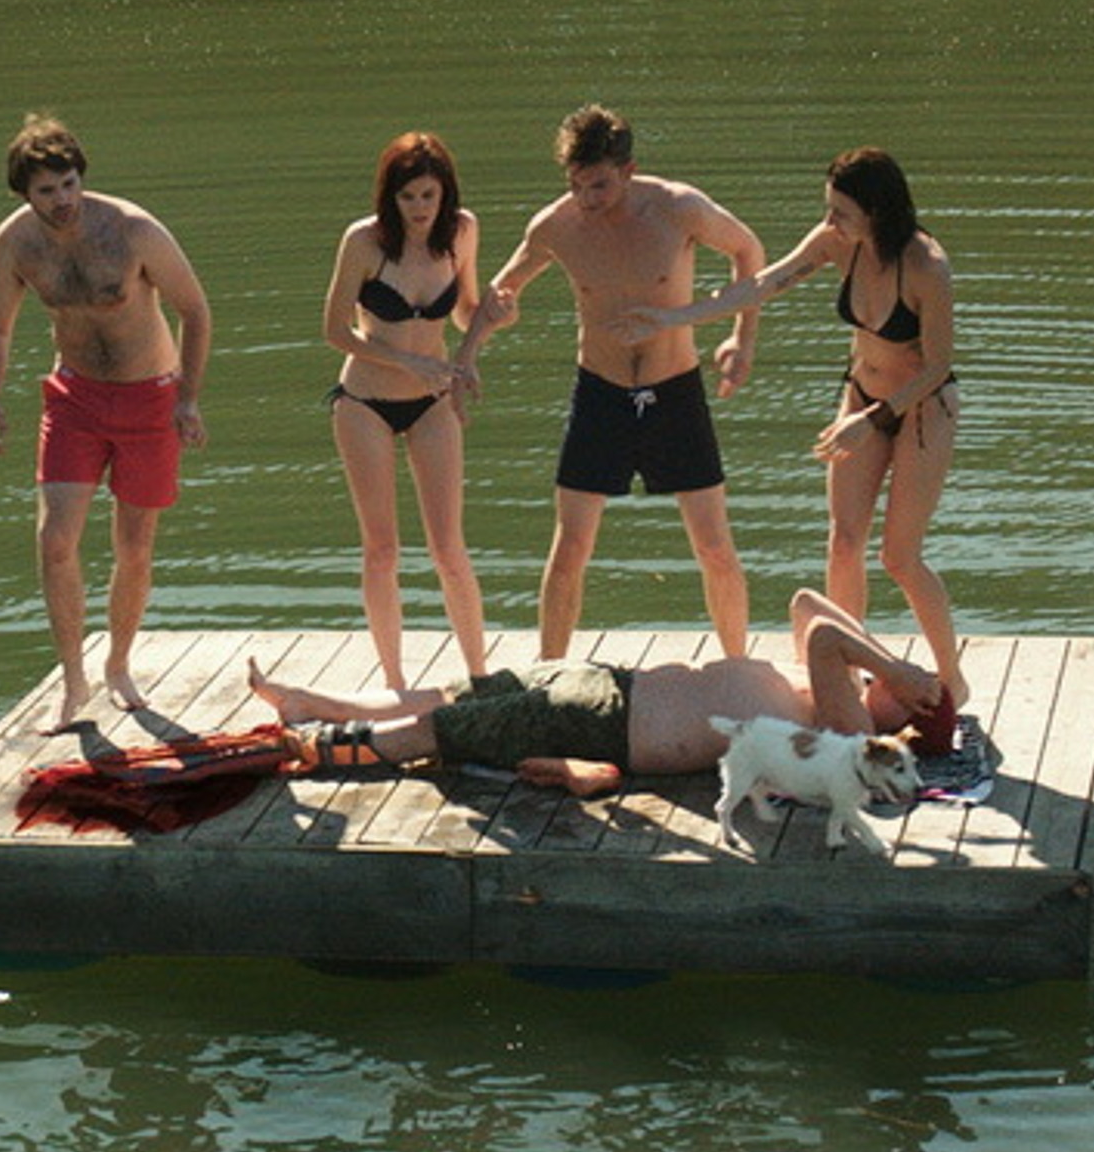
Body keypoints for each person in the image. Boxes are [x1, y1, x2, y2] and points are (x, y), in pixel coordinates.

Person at [617, 146, 964, 706]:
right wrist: (673, 317)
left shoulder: (926, 266)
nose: (829, 223)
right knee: (844, 542)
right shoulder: (835, 244)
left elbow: (941, 364)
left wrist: (873, 419)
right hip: (862, 395)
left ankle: (952, 679)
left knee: (899, 556)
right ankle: (847, 675)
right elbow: (763, 284)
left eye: (840, 213)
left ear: (875, 212)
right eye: (828, 210)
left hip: (921, 409)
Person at [462, 104, 769, 662]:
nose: (587, 199)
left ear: (628, 170)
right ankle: (548, 673)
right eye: (576, 185)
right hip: (600, 392)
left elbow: (749, 251)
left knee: (715, 546)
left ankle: (736, 666)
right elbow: (496, 296)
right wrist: (474, 347)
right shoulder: (555, 225)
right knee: (570, 547)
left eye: (599, 185)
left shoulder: (678, 208)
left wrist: (741, 341)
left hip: (674, 390)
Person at [0, 115, 214, 732]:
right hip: (74, 399)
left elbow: (195, 311)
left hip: (149, 399)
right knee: (56, 542)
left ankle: (119, 664)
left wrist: (187, 398)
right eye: (46, 190)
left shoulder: (132, 230)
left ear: (82, 178)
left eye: (69, 184)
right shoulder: (15, 243)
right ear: (26, 193)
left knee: (133, 548)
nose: (62, 201)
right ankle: (73, 683)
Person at [247, 587, 948, 798]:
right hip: (605, 683)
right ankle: (319, 704)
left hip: (602, 726)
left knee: (440, 732)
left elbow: (826, 639)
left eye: (909, 691)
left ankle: (315, 751)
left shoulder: (852, 742)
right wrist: (892, 668)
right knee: (449, 693)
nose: (895, 678)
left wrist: (902, 676)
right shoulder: (834, 690)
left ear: (909, 718)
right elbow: (806, 607)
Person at [322, 132, 490, 689]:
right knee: (382, 547)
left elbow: (465, 313)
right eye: (408, 198)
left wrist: (493, 320)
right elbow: (333, 330)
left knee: (449, 547)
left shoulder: (461, 232)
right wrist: (401, 360)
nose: (419, 209)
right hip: (365, 402)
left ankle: (479, 673)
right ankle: (395, 682)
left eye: (428, 196)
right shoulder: (365, 242)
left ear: (445, 195)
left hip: (433, 401)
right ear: (389, 198)